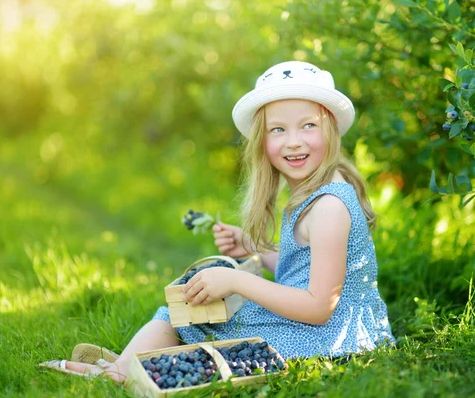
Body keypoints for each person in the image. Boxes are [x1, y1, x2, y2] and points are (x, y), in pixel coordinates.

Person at [43, 60, 395, 382]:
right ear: (262, 139)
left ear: (331, 128)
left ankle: (119, 372)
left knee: (201, 319)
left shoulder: (329, 205)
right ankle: (128, 364)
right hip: (336, 329)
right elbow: (303, 267)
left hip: (330, 337)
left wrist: (235, 280)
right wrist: (252, 246)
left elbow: (319, 306)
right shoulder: (319, 186)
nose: (293, 142)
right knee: (195, 314)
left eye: (307, 126)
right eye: (278, 130)